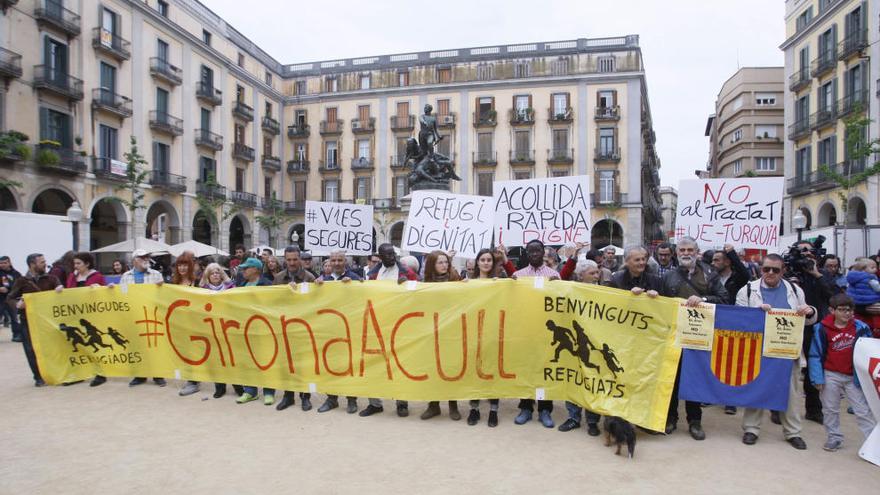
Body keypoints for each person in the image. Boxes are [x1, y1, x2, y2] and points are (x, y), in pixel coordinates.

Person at [736, 253, 817, 450]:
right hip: (758, 349)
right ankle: (751, 429)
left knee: (790, 392)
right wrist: (756, 314)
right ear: (760, 269)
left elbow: (808, 319)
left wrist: (810, 311)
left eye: (775, 270)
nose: (770, 273)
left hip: (786, 350)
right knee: (756, 389)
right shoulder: (747, 291)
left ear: (783, 271)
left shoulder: (795, 290)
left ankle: (793, 432)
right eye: (766, 269)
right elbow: (739, 320)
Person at [661, 236, 729, 440]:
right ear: (676, 252)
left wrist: (704, 300)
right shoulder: (668, 276)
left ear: (697, 251)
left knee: (695, 378)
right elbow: (663, 305)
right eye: (682, 250)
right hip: (674, 334)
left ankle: (695, 421)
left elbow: (725, 298)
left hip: (699, 335)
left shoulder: (710, 273)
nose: (686, 253)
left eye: (690, 249)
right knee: (672, 378)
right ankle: (670, 418)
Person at [808, 293, 876, 452]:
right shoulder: (822, 328)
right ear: (832, 310)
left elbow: (869, 351)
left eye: (850, 310)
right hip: (830, 374)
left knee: (862, 410)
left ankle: (873, 442)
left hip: (854, 376)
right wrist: (817, 378)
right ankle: (834, 437)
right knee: (830, 408)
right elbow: (815, 354)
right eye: (842, 310)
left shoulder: (861, 327)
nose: (847, 313)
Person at [362, 243, 418, 418]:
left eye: (393, 254)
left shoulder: (406, 272)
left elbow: (419, 290)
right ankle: (375, 403)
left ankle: (401, 402)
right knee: (373, 363)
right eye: (387, 255)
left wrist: (408, 285)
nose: (392, 257)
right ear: (380, 256)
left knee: (399, 363)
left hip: (400, 324)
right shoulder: (372, 274)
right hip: (377, 322)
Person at [512, 239, 560, 428]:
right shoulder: (518, 275)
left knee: (545, 370)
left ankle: (545, 409)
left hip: (545, 332)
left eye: (537, 251)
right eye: (530, 251)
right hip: (525, 331)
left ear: (543, 252)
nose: (534, 254)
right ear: (526, 253)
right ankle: (525, 407)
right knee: (526, 368)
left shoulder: (553, 275)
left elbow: (560, 304)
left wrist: (558, 287)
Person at [789, 240, 836, 424]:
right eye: (801, 252)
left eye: (809, 252)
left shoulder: (822, 274)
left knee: (813, 368)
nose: (806, 256)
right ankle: (778, 410)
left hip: (814, 327)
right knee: (785, 368)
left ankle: (814, 409)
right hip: (788, 327)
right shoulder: (785, 272)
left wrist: (816, 274)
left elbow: (834, 297)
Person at [558, 259, 604, 436]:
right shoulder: (570, 289)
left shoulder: (604, 292)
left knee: (592, 381)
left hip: (593, 342)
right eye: (592, 273)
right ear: (581, 275)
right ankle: (574, 417)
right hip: (574, 342)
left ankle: (592, 421)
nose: (596, 275)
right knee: (573, 379)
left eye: (596, 272)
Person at [314, 249, 363, 414]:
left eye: (339, 260)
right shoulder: (324, 281)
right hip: (330, 331)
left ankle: (351, 399)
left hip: (350, 330)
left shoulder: (354, 278)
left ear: (345, 262)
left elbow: (364, 296)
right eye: (333, 260)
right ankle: (332, 398)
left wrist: (355, 286)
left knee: (350, 365)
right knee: (331, 365)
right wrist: (316, 288)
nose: (336, 263)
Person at [464, 248, 507, 427]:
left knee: (492, 369)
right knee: (475, 370)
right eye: (483, 260)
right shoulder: (469, 282)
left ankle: (493, 410)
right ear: (477, 262)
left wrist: (502, 285)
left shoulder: (500, 281)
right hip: (474, 331)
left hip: (494, 331)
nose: (486, 263)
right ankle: (474, 408)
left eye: (489, 260)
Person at [419, 250, 463, 421]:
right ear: (432, 265)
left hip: (452, 330)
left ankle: (453, 405)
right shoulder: (425, 283)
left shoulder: (455, 279)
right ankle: (433, 405)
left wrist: (467, 285)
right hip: (432, 331)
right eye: (440, 262)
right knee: (433, 368)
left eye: (446, 262)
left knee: (451, 368)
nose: (444, 265)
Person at [274, 246, 317, 412]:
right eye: (289, 259)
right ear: (285, 259)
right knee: (286, 363)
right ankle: (288, 395)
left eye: (294, 259)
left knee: (304, 363)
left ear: (299, 259)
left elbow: (315, 302)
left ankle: (305, 396)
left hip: (303, 328)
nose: (291, 263)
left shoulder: (309, 277)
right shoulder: (278, 278)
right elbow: (273, 302)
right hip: (285, 327)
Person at [7, 253, 61, 386]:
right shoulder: (22, 281)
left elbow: (61, 292)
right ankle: (38, 376)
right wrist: (18, 305)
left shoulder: (52, 278)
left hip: (48, 320)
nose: (45, 264)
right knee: (31, 349)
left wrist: (61, 290)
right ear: (32, 264)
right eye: (41, 262)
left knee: (54, 346)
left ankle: (57, 373)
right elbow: (10, 298)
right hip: (29, 321)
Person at [710, 243, 751, 415]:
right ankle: (711, 394)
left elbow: (745, 274)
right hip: (713, 321)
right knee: (713, 360)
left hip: (732, 324)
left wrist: (731, 252)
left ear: (727, 262)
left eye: (717, 260)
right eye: (712, 260)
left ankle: (730, 400)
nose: (713, 263)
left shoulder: (737, 278)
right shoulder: (709, 277)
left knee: (730, 362)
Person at [120, 250, 167, 388]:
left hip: (153, 315)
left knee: (155, 345)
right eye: (142, 257)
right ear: (135, 260)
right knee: (137, 345)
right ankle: (140, 374)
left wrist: (162, 287)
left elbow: (162, 295)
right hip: (134, 315)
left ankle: (158, 374)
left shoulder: (156, 274)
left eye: (147, 257)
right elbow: (121, 295)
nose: (146, 259)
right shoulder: (126, 276)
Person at [233, 258, 274, 405]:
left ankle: (269, 392)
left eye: (246, 268)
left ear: (256, 269)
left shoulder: (267, 285)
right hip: (245, 328)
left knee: (266, 360)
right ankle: (250, 391)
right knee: (248, 360)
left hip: (263, 328)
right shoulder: (241, 285)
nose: (243, 271)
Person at [199, 263, 235, 398]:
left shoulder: (230, 287)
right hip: (211, 327)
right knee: (216, 358)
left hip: (227, 326)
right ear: (208, 275)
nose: (215, 275)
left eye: (217, 272)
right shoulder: (202, 289)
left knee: (231, 356)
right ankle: (220, 387)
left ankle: (237, 384)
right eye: (212, 273)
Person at [171, 253, 202, 397]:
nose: (182, 268)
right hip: (179, 323)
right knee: (184, 351)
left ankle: (193, 381)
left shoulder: (196, 282)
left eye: (185, 265)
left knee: (194, 352)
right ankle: (191, 378)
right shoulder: (173, 284)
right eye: (179, 265)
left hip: (194, 323)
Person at [0, 255, 23, 342]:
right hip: (1, 299)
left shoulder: (16, 273)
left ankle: (17, 335)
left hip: (12, 299)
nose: (2, 265)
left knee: (14, 318)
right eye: (1, 263)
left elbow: (22, 284)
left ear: (9, 263)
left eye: (4, 263)